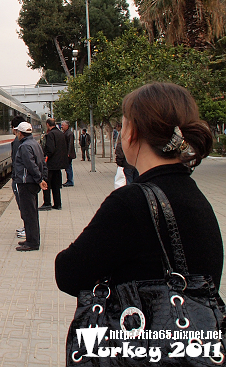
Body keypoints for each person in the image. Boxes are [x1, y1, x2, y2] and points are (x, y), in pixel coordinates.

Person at [55, 82, 222, 300]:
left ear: (132, 132)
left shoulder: (131, 202)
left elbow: (68, 274)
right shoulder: (194, 196)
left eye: (123, 125)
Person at [12, 121, 48, 251]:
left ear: (21, 133)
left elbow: (30, 165)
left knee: (29, 214)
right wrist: (43, 178)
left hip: (26, 183)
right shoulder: (35, 144)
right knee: (31, 213)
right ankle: (30, 239)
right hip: (32, 183)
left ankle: (32, 243)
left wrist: (39, 179)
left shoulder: (24, 147)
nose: (16, 134)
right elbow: (43, 162)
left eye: (17, 132)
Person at [40, 118, 67, 210]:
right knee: (56, 185)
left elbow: (50, 149)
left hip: (51, 164)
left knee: (46, 184)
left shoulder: (51, 134)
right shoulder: (61, 133)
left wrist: (45, 155)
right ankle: (57, 204)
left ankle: (47, 203)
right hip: (59, 164)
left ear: (47, 124)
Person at [11, 115, 26, 239]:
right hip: (23, 178)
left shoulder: (18, 143)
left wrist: (16, 177)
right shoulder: (29, 143)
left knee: (23, 204)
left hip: (20, 179)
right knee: (25, 205)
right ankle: (27, 227)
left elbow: (17, 161)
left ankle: (27, 228)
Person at [61, 120, 76, 186]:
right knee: (67, 167)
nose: (61, 126)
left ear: (67, 126)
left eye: (63, 125)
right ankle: (69, 180)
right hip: (66, 153)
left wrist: (68, 153)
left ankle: (70, 181)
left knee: (68, 167)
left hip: (68, 154)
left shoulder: (69, 133)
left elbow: (70, 144)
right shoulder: (65, 133)